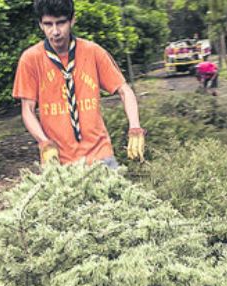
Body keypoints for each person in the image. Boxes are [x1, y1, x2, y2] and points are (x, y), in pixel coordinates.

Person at [13, 0, 145, 168]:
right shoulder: (30, 59)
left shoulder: (93, 52)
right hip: (58, 162)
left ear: (72, 20)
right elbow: (27, 110)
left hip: (101, 156)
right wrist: (44, 142)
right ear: (40, 25)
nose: (55, 32)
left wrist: (135, 127)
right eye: (48, 24)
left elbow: (125, 91)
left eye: (61, 23)